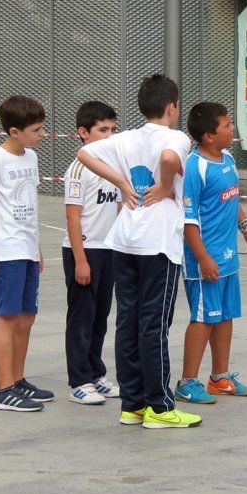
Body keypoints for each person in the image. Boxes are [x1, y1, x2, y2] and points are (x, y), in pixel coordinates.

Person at [77, 74, 202, 429]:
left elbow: (84, 153)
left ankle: (132, 405)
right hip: (157, 243)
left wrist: (120, 182)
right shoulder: (175, 137)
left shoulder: (126, 138)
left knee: (127, 322)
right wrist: (164, 185)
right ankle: (160, 408)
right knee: (154, 324)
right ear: (171, 107)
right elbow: (166, 156)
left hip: (125, 239)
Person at [173, 102, 247, 405]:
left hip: (228, 257)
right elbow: (188, 219)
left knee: (225, 316)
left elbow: (232, 198)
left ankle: (220, 378)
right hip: (205, 259)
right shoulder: (194, 167)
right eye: (227, 124)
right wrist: (202, 257)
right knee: (203, 318)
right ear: (209, 136)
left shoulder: (227, 159)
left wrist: (246, 228)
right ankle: (187, 382)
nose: (232, 128)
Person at [0, 95, 54, 412]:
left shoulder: (30, 158)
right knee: (7, 318)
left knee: (27, 317)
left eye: (42, 128)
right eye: (36, 130)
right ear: (14, 131)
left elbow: (28, 206)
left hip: (26, 249)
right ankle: (3, 389)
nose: (41, 135)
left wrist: (37, 248)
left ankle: (18, 380)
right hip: (4, 251)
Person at [62, 101, 122, 405]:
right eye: (103, 129)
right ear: (83, 133)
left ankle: (96, 373)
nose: (109, 135)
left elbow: (120, 205)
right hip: (83, 252)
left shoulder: (113, 167)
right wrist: (81, 260)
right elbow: (73, 216)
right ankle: (79, 379)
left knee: (101, 317)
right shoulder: (78, 169)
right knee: (82, 319)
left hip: (108, 250)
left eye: (113, 129)